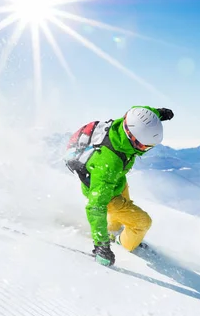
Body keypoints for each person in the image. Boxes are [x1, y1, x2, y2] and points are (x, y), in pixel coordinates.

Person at [65, 105, 174, 266]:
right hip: (106, 192)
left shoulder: (126, 123)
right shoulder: (109, 164)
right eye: (145, 146)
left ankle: (113, 230)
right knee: (143, 222)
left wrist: (157, 114)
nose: (146, 150)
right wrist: (101, 246)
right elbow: (96, 206)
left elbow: (140, 112)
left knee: (122, 201)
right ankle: (126, 244)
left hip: (116, 181)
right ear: (133, 138)